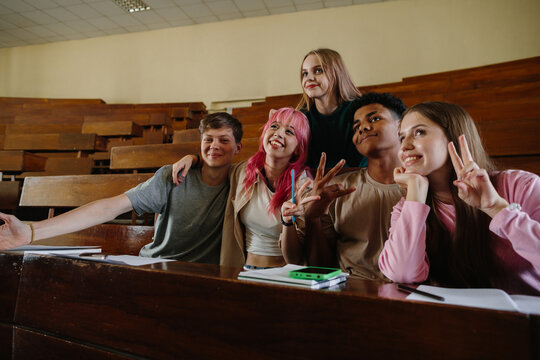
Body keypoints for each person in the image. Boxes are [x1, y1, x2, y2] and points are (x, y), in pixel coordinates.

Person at [0, 112, 243, 265]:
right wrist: (31, 232)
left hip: (203, 276)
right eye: (208, 139)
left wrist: (193, 157)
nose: (214, 146)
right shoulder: (173, 176)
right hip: (155, 267)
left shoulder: (242, 180)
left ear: (238, 147)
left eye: (224, 140)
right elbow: (109, 208)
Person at [378, 101, 540, 295]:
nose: (405, 146)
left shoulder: (521, 186)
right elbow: (402, 275)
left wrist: (496, 207)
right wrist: (415, 191)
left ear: (453, 137)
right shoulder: (407, 206)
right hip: (458, 318)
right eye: (402, 137)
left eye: (419, 132)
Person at [281, 92, 406, 280]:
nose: (362, 128)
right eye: (356, 127)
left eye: (374, 118)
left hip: (411, 296)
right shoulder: (336, 189)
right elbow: (320, 268)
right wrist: (314, 218)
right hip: (351, 291)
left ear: (401, 126)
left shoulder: (424, 186)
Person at [172, 107, 314, 269]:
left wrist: (287, 222)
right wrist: (193, 159)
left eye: (289, 132)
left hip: (283, 275)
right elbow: (214, 166)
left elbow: (296, 259)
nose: (278, 133)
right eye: (274, 126)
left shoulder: (304, 186)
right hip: (244, 271)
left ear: (298, 148)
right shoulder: (242, 172)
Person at [299, 48, 367, 168]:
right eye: (305, 73)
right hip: (314, 184)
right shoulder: (301, 118)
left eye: (318, 70)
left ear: (337, 73)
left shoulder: (361, 110)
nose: (309, 78)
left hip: (358, 181)